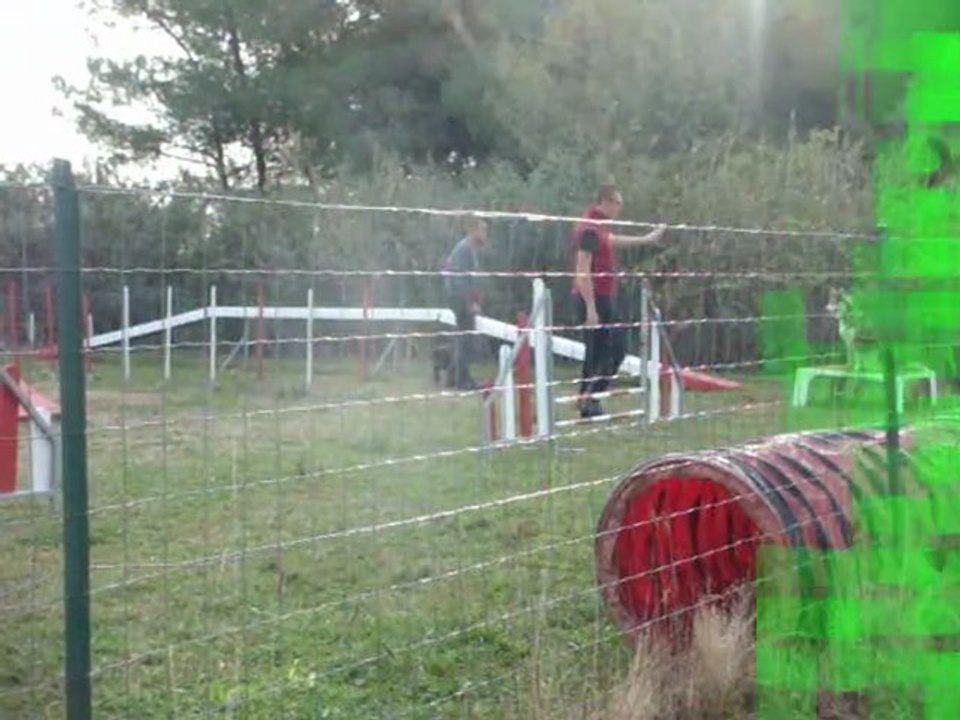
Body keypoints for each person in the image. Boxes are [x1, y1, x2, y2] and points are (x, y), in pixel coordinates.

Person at [571, 184, 667, 418]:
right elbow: (581, 270)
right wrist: (591, 309)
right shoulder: (590, 229)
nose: (619, 209)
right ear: (605, 201)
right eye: (617, 203)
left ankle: (587, 400)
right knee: (615, 348)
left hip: (602, 295)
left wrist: (646, 239)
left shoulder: (597, 227)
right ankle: (593, 396)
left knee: (598, 350)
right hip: (594, 296)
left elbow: (613, 240)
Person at [442, 216, 488, 390]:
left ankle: (454, 377)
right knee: (465, 339)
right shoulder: (465, 249)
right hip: (460, 299)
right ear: (474, 231)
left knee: (465, 339)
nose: (485, 234)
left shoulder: (470, 249)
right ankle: (461, 381)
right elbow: (461, 279)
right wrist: (470, 303)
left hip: (461, 298)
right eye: (483, 230)